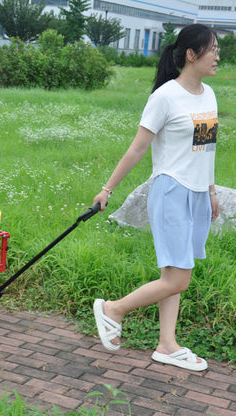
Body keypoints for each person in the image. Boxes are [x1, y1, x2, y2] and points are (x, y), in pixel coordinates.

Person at [92, 23, 220, 372]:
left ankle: (166, 344)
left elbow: (205, 149)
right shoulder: (165, 96)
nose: (218, 56)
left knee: (175, 272)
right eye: (212, 49)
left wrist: (210, 192)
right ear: (191, 55)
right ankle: (113, 309)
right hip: (171, 191)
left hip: (196, 194)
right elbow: (137, 149)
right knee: (179, 278)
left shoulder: (208, 94)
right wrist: (108, 190)